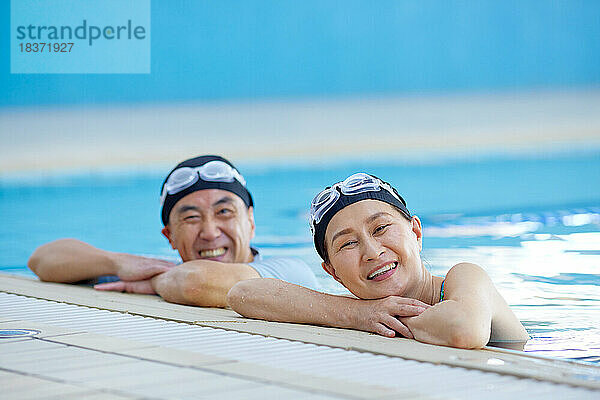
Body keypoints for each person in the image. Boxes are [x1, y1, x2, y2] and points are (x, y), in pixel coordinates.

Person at [228, 172, 529, 349]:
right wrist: (358, 314)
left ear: (416, 232)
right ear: (332, 273)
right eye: (348, 243)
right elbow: (243, 294)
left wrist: (383, 317)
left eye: (381, 228)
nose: (372, 251)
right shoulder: (362, 309)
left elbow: (463, 328)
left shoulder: (464, 278)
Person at [28, 155, 319, 307]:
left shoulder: (290, 270)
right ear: (170, 237)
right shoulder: (150, 270)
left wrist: (151, 283)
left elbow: (195, 283)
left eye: (224, 212)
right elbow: (42, 259)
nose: (209, 231)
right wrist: (119, 263)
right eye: (191, 218)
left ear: (251, 223)